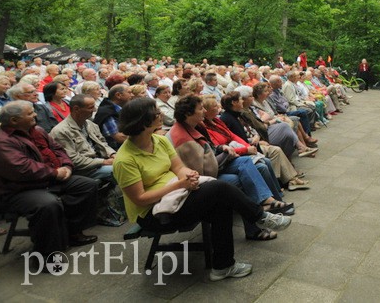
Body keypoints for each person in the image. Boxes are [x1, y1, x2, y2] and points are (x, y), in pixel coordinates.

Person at [113, 97, 291, 282]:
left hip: (177, 195)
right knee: (220, 188)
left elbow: (178, 167)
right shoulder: (125, 159)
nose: (161, 115)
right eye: (156, 113)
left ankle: (223, 266)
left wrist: (188, 174)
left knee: (220, 204)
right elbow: (140, 199)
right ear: (142, 121)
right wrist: (179, 184)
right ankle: (260, 217)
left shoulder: (158, 141)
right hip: (154, 214)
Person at [0, 101, 99, 259]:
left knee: (87, 185)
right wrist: (55, 173)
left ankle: (71, 232)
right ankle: (46, 255)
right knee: (47, 204)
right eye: (30, 113)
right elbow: (22, 169)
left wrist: (66, 166)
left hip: (47, 179)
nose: (35, 115)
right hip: (19, 189)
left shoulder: (37, 130)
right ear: (14, 120)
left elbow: (58, 149)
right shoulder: (2, 141)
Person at [50, 95, 116, 181]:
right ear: (76, 109)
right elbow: (73, 160)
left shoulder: (91, 124)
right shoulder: (61, 131)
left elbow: (103, 143)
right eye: (91, 107)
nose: (95, 110)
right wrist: (104, 162)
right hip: (84, 170)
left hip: (100, 163)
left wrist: (112, 154)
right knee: (123, 169)